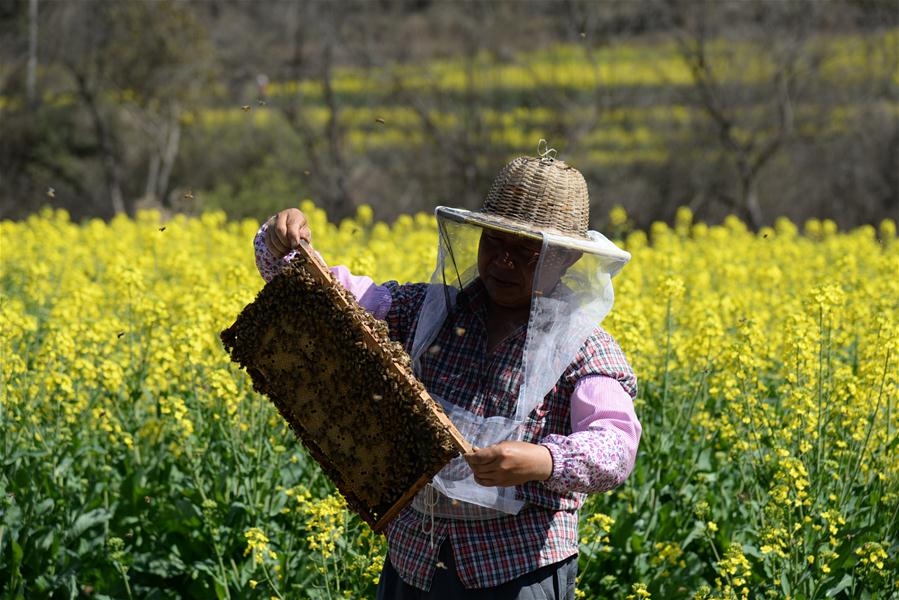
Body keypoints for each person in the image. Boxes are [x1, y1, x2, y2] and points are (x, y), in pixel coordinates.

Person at [253, 146, 641, 599]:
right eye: (494, 241)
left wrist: (542, 461)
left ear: (568, 259)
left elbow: (615, 447)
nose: (503, 261)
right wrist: (283, 242)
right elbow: (322, 293)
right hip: (415, 560)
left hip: (517, 570)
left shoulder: (585, 348)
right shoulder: (423, 311)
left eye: (526, 251)